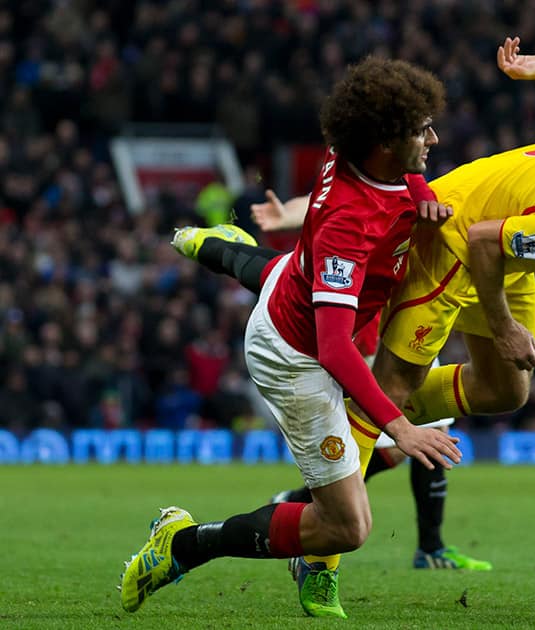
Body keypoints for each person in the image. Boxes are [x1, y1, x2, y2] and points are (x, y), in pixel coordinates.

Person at [178, 34, 535, 576]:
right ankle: (323, 546)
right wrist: (503, 326)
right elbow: (485, 240)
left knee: (506, 389)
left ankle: (364, 425)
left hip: (502, 243)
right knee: (392, 384)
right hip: (456, 244)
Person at [119, 57, 462, 620]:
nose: (434, 138)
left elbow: (402, 168)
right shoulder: (350, 225)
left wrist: (420, 187)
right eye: (421, 130)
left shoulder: (357, 151)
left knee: (268, 266)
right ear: (384, 143)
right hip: (296, 359)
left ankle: (210, 243)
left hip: (296, 284)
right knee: (346, 527)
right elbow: (332, 349)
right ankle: (179, 545)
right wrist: (398, 425)